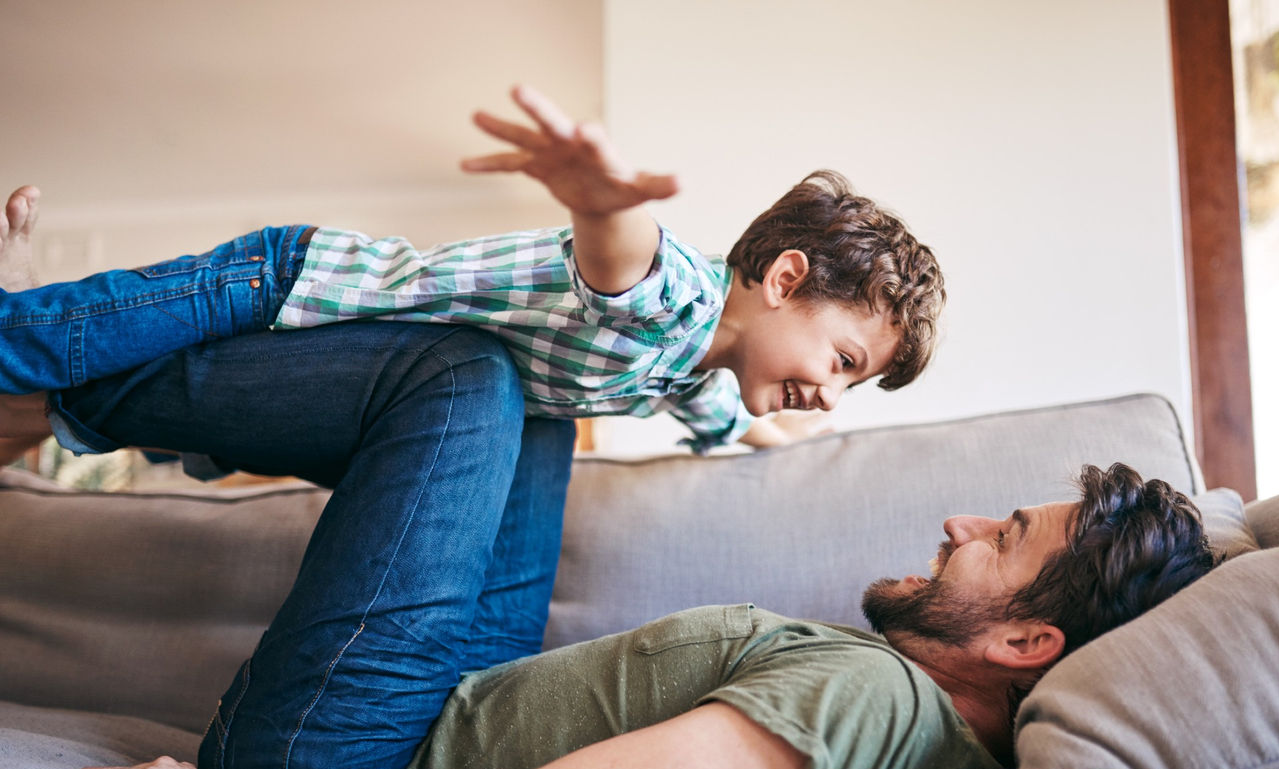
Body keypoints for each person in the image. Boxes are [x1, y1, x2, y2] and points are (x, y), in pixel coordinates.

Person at [69, 460, 1217, 769]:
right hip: (435, 696)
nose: (961, 524)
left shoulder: (869, 700)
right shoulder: (893, 697)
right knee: (530, 379)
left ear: (1024, 641)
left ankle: (42, 377)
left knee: (460, 377)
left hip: (342, 751)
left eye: (1004, 538)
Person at [0, 85, 946, 455]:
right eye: (845, 362)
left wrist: (792, 446)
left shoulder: (696, 374)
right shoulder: (679, 301)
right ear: (783, 280)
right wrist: (601, 196)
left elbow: (725, 427)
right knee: (63, 338)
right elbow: (625, 259)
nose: (831, 396)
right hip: (291, 283)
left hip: (330, 357)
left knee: (113, 397)